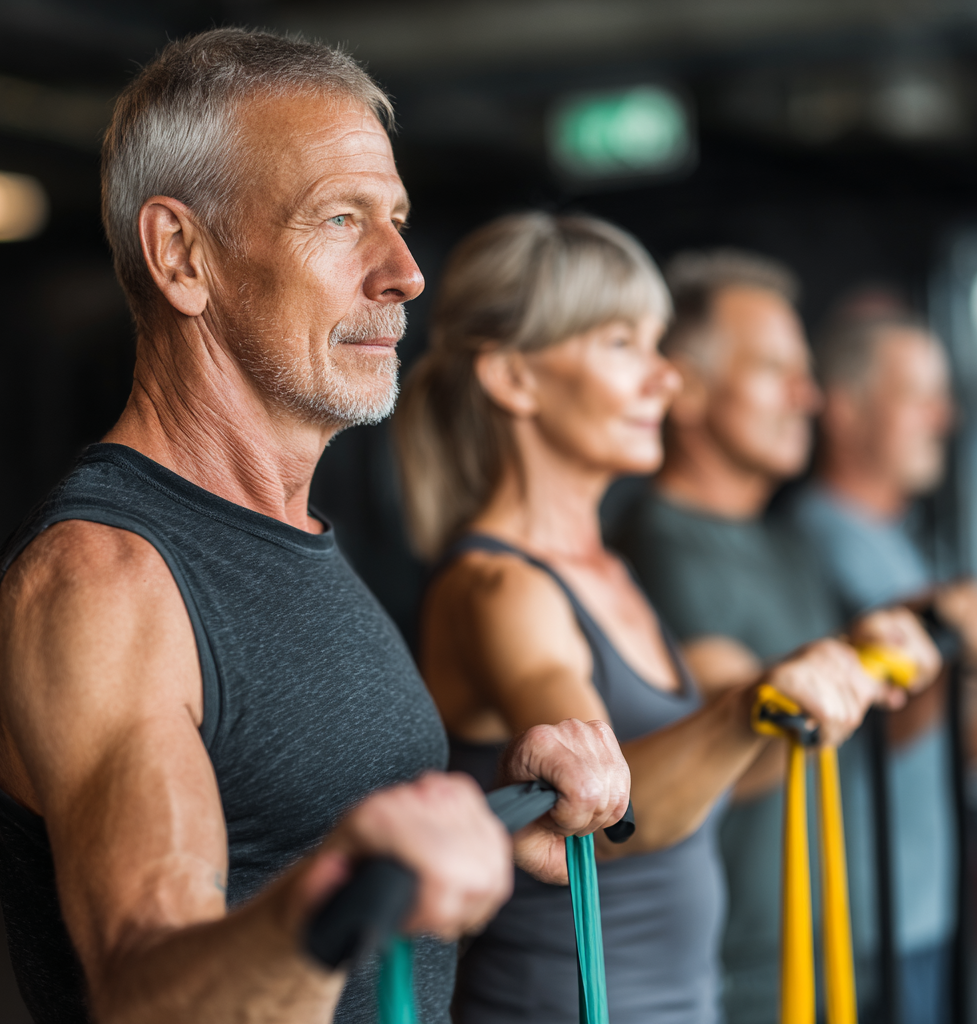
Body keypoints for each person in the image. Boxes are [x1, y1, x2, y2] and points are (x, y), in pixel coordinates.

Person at [0, 30, 633, 1024]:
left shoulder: (284, 529)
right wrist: (340, 893)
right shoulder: (106, 582)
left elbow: (295, 846)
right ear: (182, 256)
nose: (405, 272)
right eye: (340, 218)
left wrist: (493, 816)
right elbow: (148, 990)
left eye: (397, 220)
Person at [393, 214, 938, 1024]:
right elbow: (603, 798)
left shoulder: (608, 571)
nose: (666, 379)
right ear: (514, 379)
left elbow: (723, 771)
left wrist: (829, 675)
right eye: (623, 345)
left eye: (657, 345)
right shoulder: (498, 587)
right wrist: (749, 703)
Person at [610, 251, 952, 1023]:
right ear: (686, 387)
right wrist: (851, 664)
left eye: (806, 373)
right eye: (775, 370)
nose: (809, 396)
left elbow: (867, 731)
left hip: (845, 958)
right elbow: (737, 752)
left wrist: (922, 654)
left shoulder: (786, 541)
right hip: (751, 983)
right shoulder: (661, 545)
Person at [791, 304, 977, 1023]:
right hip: (866, 922)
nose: (944, 417)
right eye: (918, 397)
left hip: (926, 905)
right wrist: (948, 627)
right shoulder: (816, 540)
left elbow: (957, 738)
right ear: (845, 410)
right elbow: (876, 724)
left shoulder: (895, 540)